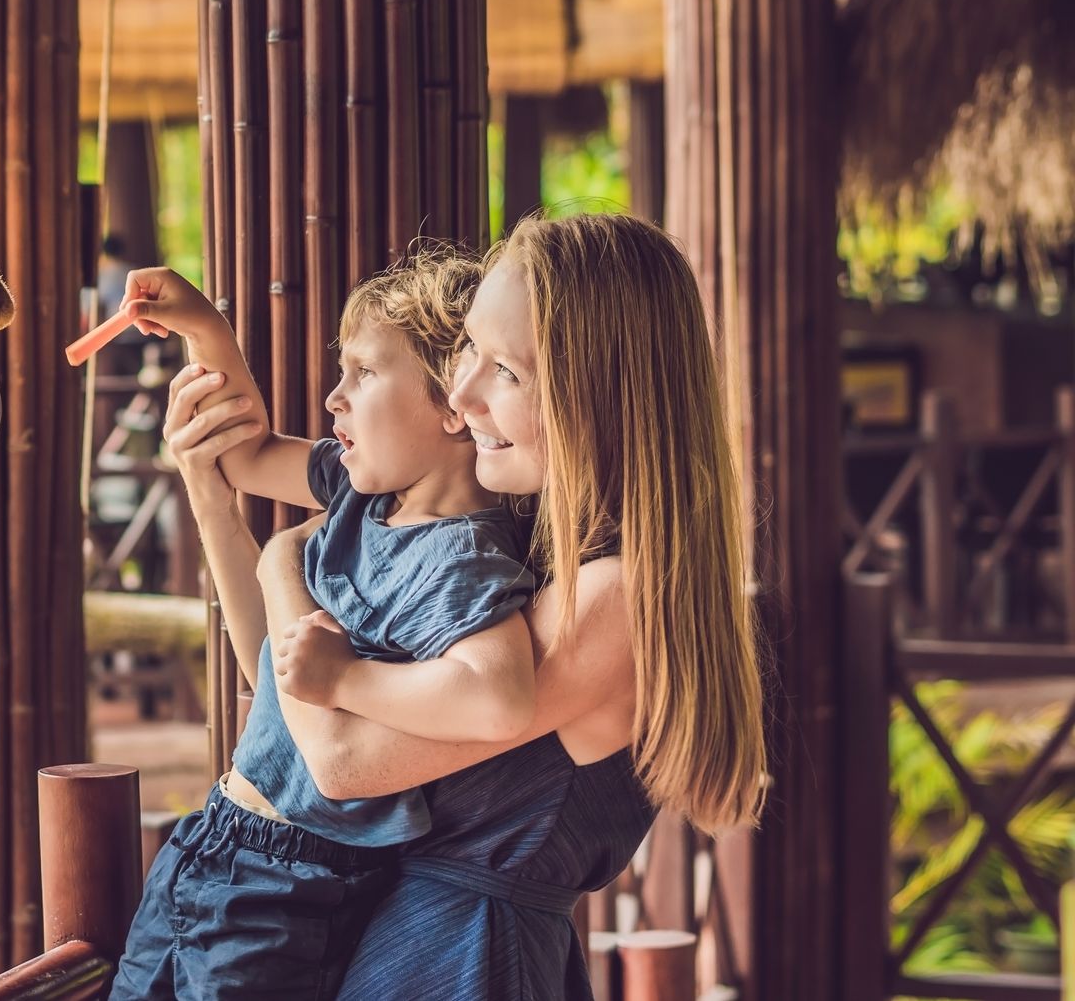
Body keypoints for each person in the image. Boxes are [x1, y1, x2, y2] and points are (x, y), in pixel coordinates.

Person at [164, 212, 766, 998]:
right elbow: (289, 698)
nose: (463, 390)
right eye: (469, 351)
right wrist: (211, 494)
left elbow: (340, 757)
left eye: (506, 370)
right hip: (406, 947)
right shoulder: (529, 540)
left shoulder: (615, 597)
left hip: (465, 962)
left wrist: (285, 560)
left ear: (601, 392)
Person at [108, 246, 540, 1001]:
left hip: (289, 886)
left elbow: (499, 693)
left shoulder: (461, 557)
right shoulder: (360, 493)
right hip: (214, 836)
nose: (334, 398)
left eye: (364, 373)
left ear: (451, 404)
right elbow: (241, 455)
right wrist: (205, 329)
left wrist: (346, 678)